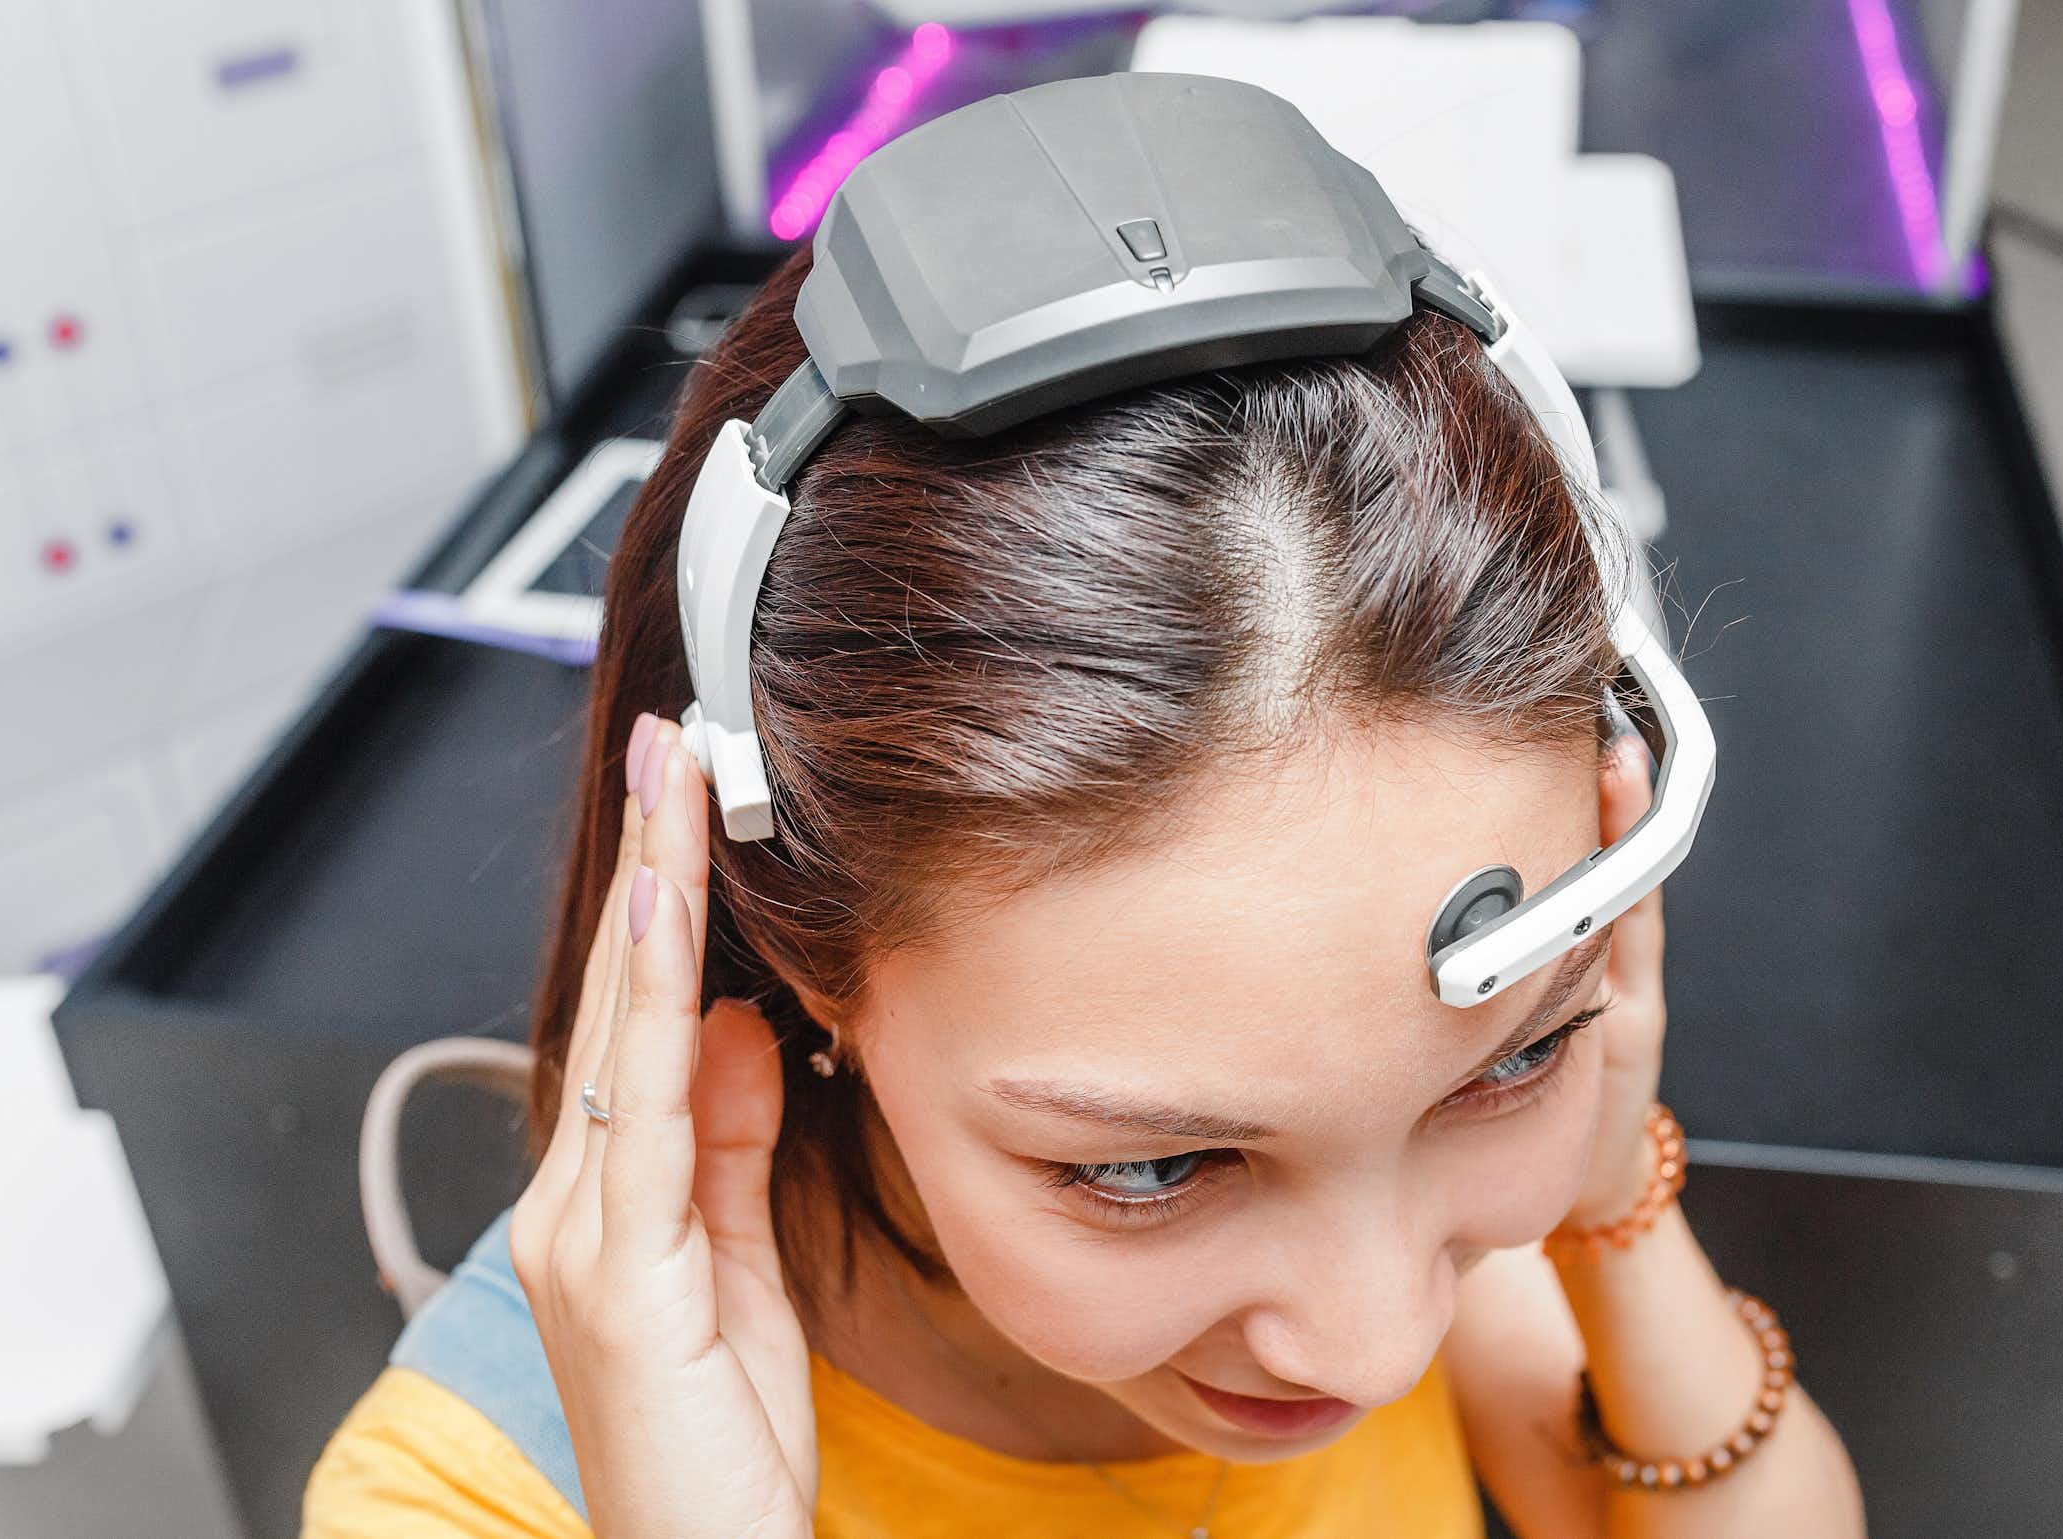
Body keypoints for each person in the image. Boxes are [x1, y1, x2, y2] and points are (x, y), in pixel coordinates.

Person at [301, 145, 1864, 1537]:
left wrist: (1603, 1201)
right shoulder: (450, 1503)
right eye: (1154, 1166)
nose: (1383, 1341)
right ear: (795, 938)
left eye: (1512, 1056)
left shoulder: (1410, 1182)